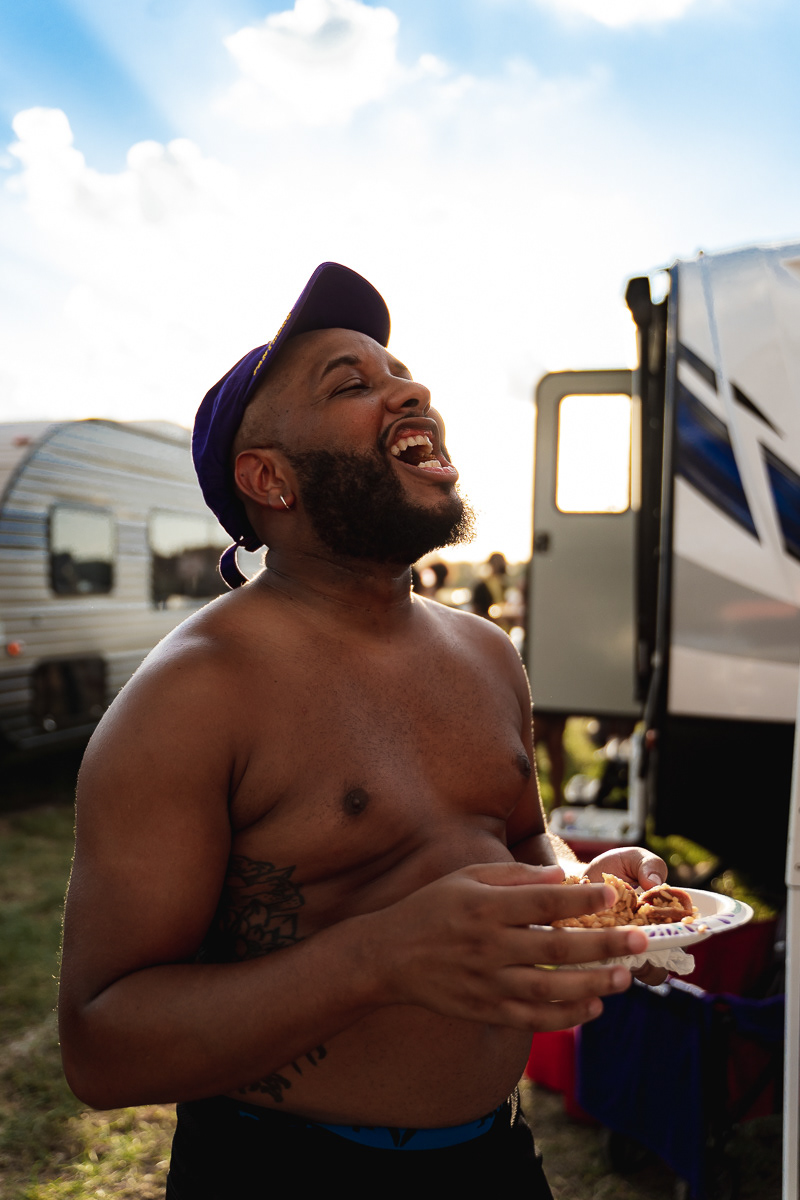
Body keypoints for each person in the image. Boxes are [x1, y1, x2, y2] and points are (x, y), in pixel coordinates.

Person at [58, 263, 667, 1197]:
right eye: (351, 384)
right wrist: (380, 958)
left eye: (403, 374)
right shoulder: (193, 695)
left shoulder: (486, 652)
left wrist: (583, 889)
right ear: (269, 479)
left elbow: (518, 840)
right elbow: (101, 1049)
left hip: (497, 1158)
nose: (410, 392)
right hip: (282, 1169)